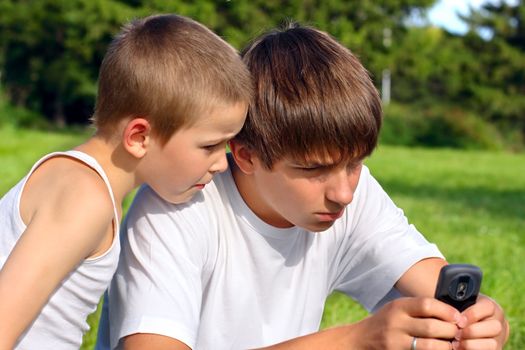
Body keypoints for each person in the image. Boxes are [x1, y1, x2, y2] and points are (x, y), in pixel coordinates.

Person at [97, 23, 509, 350]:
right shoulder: (175, 210)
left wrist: (484, 321)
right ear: (245, 155)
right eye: (314, 170)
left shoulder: (350, 192)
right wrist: (353, 341)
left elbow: (440, 286)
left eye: (356, 164)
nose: (344, 193)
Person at [0, 13, 251, 349]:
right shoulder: (85, 198)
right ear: (139, 137)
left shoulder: (84, 184)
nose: (222, 162)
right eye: (209, 145)